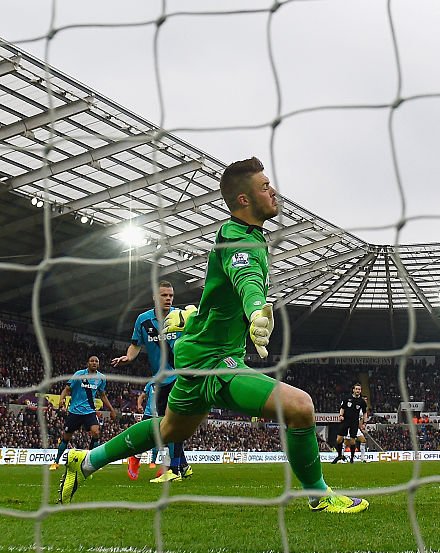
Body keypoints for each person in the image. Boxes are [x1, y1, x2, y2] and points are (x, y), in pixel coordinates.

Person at [58, 157, 367, 513]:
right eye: (265, 186)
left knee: (172, 430)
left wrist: (191, 317)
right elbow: (246, 279)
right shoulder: (237, 238)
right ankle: (319, 495)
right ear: (244, 200)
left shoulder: (245, 236)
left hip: (197, 355)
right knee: (300, 407)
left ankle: (84, 461)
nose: (273, 190)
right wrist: (255, 311)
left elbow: (218, 298)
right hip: (214, 361)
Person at [111, 280, 192, 482]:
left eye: (171, 296)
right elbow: (135, 345)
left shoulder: (180, 317)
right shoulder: (143, 320)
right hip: (160, 380)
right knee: (159, 424)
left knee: (174, 423)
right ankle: (172, 464)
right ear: (155, 297)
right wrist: (128, 358)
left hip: (180, 376)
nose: (168, 299)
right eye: (164, 295)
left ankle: (172, 469)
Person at [52, 356, 117, 470]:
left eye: (96, 361)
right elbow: (67, 389)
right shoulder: (79, 374)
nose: (94, 363)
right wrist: (61, 399)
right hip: (75, 411)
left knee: (96, 432)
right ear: (88, 363)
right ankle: (56, 461)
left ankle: (92, 462)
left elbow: (102, 395)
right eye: (92, 361)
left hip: (90, 411)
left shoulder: (101, 378)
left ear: (99, 364)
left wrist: (111, 409)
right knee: (66, 437)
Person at [339, 383, 368, 464]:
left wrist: (363, 425)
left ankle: (362, 458)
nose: (365, 401)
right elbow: (343, 408)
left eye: (359, 389)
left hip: (355, 425)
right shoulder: (350, 400)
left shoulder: (361, 406)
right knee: (346, 442)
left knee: (363, 440)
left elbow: (362, 417)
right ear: (353, 390)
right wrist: (341, 415)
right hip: (349, 424)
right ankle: (341, 457)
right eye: (357, 389)